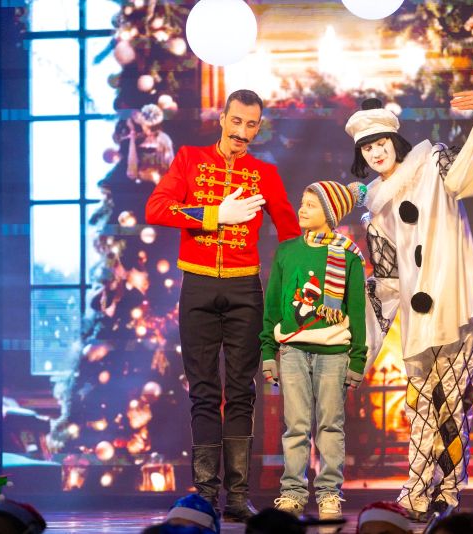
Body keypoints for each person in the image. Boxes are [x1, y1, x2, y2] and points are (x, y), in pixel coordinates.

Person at [344, 92, 473, 520]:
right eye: (367, 148)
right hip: (418, 319)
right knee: (420, 406)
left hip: (455, 305)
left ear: (394, 141)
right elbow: (387, 282)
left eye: (380, 143)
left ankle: (450, 492)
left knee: (450, 405)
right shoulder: (376, 207)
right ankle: (416, 493)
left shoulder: (432, 164)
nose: (376, 152)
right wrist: (356, 343)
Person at [145, 89, 301, 521]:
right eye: (237, 121)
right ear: (223, 118)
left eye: (251, 125)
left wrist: (300, 282)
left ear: (258, 127)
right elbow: (156, 208)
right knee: (203, 393)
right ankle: (205, 495)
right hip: (197, 287)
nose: (242, 132)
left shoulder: (264, 173)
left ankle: (236, 497)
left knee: (241, 393)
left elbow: (289, 234)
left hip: (244, 291)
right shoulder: (190, 159)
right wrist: (215, 215)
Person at [260, 180, 368, 520]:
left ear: (331, 213)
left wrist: (358, 358)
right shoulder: (287, 251)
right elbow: (273, 305)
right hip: (292, 351)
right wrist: (268, 351)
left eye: (311, 205)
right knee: (295, 425)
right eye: (302, 202)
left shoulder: (348, 255)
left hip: (334, 353)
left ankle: (329, 494)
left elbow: (357, 310)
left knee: (330, 426)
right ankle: (292, 493)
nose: (302, 209)